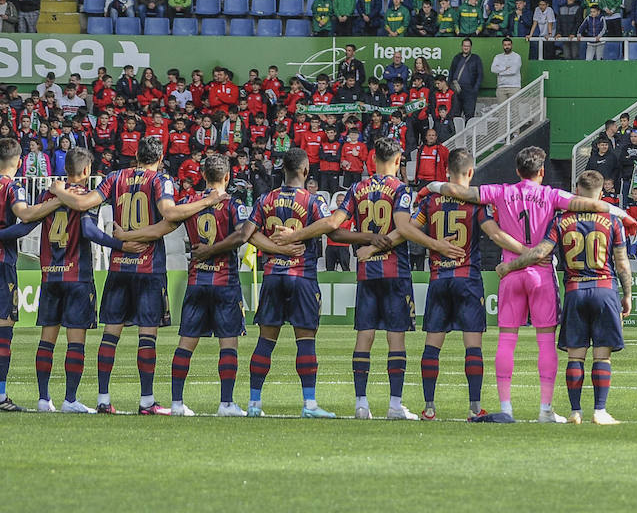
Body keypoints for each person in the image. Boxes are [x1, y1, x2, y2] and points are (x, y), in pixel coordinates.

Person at [427, 146, 631, 422]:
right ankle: (546, 409)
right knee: (545, 342)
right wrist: (622, 214)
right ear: (542, 172)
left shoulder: (500, 192)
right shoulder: (552, 195)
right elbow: (593, 205)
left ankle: (507, 408)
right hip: (541, 270)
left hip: (510, 273)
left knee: (507, 340)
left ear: (517, 170)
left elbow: (460, 192)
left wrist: (433, 185)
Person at [49, 137, 225, 415]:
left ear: (136, 156)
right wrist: (208, 201)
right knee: (147, 336)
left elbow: (84, 204)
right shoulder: (160, 180)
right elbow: (169, 213)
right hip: (148, 267)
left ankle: (103, 399)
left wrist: (59, 191)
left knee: (111, 335)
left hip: (119, 266)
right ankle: (146, 401)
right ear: (160, 157)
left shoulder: (115, 176)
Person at [266, 138, 433, 420]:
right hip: (395, 270)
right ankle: (394, 405)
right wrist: (376, 243)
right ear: (398, 159)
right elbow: (404, 229)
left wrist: (295, 235)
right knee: (396, 338)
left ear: (371, 159)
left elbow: (333, 228)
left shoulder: (357, 188)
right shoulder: (402, 190)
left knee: (364, 336)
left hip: (366, 272)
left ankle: (361, 404)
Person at [363, 148, 518, 420]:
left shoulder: (430, 201)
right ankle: (473, 407)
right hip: (467, 279)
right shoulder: (476, 204)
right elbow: (494, 234)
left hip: (438, 279)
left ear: (446, 172)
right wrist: (526, 251)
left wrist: (373, 249)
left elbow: (405, 230)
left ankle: (429, 407)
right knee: (473, 346)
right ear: (470, 172)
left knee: (432, 345)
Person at [114, 154, 250, 416]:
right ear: (227, 177)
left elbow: (158, 229)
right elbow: (242, 235)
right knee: (228, 344)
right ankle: (226, 404)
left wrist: (126, 236)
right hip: (225, 282)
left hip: (197, 281)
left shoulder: (188, 203)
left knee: (186, 343)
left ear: (202, 176)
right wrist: (212, 251)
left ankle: (177, 403)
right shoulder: (234, 204)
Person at [497, 169, 636, 425]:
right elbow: (623, 263)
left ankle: (575, 412)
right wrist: (627, 295)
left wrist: (510, 266)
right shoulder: (613, 221)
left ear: (576, 191)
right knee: (602, 356)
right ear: (600, 194)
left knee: (575, 356)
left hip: (574, 291)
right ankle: (600, 411)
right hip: (604, 289)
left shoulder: (562, 220)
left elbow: (540, 253)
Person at [17, 147, 133, 413]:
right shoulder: (88, 197)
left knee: (47, 339)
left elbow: (25, 225)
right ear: (86, 171)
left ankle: (44, 399)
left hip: (50, 275)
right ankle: (70, 399)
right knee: (75, 341)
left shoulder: (50, 194)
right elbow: (90, 230)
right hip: (77, 276)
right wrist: (120, 244)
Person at [222, 148, 335, 417]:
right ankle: (309, 405)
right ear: (305, 171)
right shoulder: (312, 200)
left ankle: (253, 404)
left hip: (273, 276)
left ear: (282, 170)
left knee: (265, 341)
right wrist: (292, 243)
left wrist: (276, 248)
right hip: (302, 276)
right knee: (305, 341)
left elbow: (247, 234)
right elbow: (330, 224)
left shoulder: (265, 198)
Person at [447, 37, 485, 120]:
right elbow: (451, 72)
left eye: (468, 46)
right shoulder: (457, 57)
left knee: (469, 115)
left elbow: (480, 75)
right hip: (456, 89)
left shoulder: (476, 58)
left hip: (469, 91)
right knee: (455, 115)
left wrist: (474, 90)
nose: (466, 47)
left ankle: (469, 133)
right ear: (461, 46)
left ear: (471, 47)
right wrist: (449, 87)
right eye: (464, 46)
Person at [491, 36, 522, 101]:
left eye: (508, 45)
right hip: (501, 88)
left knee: (514, 110)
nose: (507, 47)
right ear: (502, 46)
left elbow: (513, 71)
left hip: (514, 87)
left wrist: (499, 72)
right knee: (502, 110)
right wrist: (505, 68)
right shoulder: (498, 57)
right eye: (505, 45)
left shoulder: (516, 57)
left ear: (512, 45)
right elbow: (493, 69)